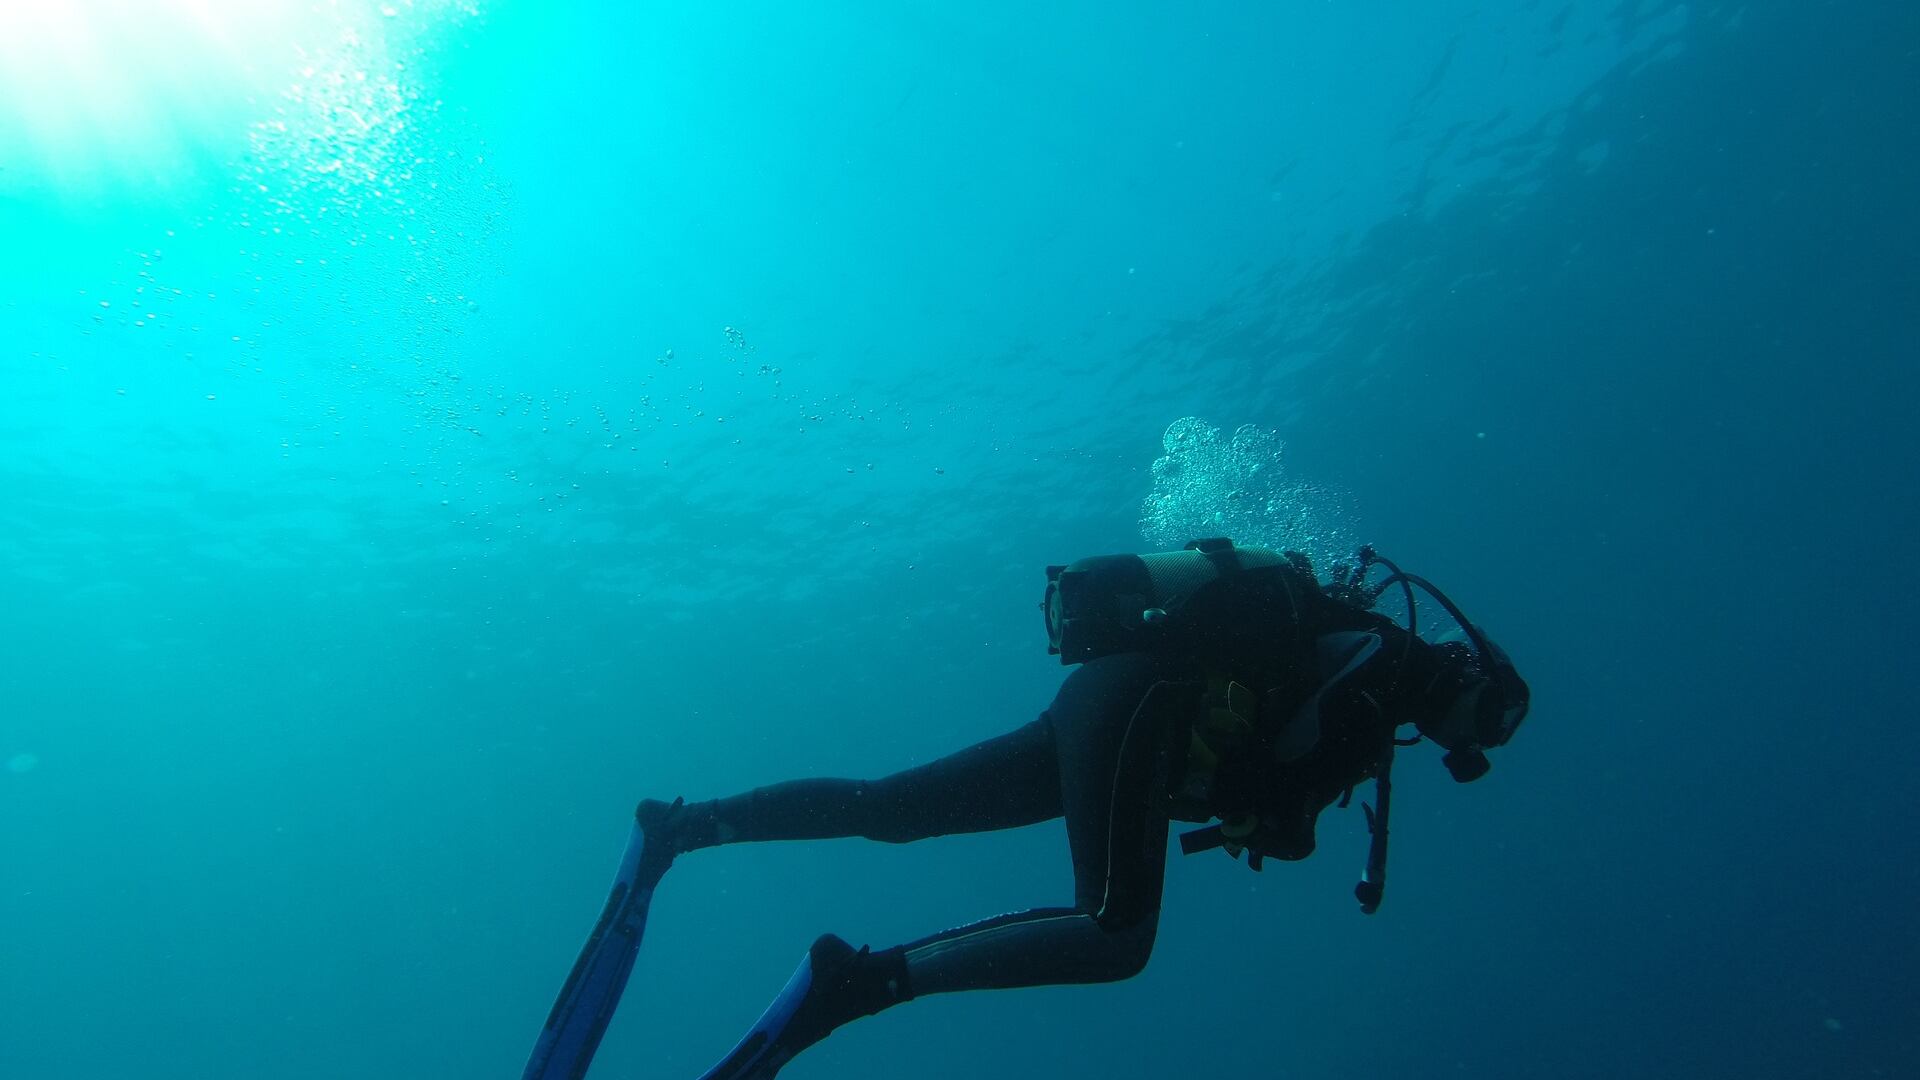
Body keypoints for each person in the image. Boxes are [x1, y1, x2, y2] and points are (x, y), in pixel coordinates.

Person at [521, 539, 1531, 1080]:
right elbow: (1286, 783)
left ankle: (683, 828)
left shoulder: (1354, 653)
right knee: (1116, 933)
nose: (1478, 744)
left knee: (894, 807)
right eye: (1494, 720)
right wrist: (1290, 818)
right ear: (1474, 677)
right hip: (1147, 707)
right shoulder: (1384, 670)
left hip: (1110, 699)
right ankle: (857, 985)